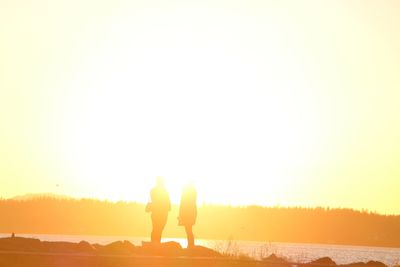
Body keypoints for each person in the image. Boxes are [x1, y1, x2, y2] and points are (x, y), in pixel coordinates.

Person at [146, 177, 171, 244]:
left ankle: (154, 244)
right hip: (161, 213)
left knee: (156, 229)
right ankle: (155, 244)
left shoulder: (153, 190)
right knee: (158, 229)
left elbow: (151, 200)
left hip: (157, 213)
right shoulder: (164, 191)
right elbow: (167, 202)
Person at [178, 183, 197, 248]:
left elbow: (182, 205)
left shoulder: (186, 195)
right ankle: (190, 245)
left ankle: (190, 245)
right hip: (190, 214)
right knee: (189, 230)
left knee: (188, 230)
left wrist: (181, 215)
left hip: (187, 215)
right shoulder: (193, 194)